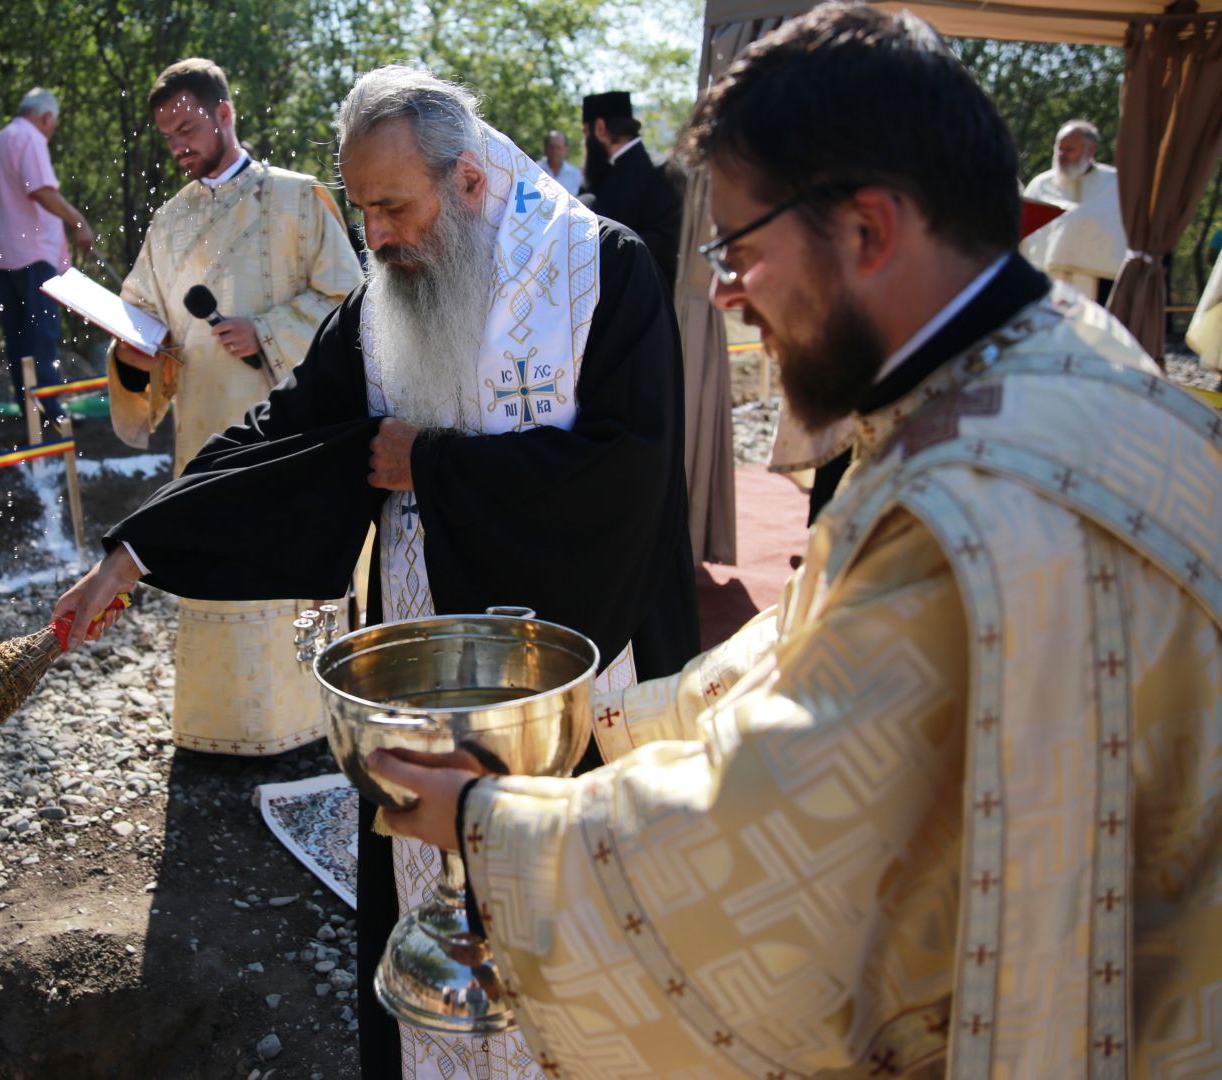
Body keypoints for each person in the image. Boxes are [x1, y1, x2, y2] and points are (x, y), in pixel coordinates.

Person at [373, 5, 1222, 1075]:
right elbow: (825, 650)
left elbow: (781, 861)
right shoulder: (1059, 359)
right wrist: (606, 717)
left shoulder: (971, 502)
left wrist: (485, 824)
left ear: (867, 230)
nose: (725, 292)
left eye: (739, 248)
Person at [57, 66, 700, 1079]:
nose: (379, 237)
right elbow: (286, 430)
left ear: (470, 180)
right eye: (363, 210)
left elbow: (633, 474)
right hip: (415, 678)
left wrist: (432, 467)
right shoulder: (382, 300)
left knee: (574, 982)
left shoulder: (599, 271)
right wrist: (134, 551)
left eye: (396, 207)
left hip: (573, 690)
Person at [105, 58, 362, 756]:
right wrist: (132, 358)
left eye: (188, 127)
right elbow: (143, 322)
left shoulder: (299, 199)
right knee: (213, 563)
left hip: (293, 433)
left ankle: (316, 722)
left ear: (224, 114)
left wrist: (268, 333)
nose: (179, 145)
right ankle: (215, 733)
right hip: (203, 433)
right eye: (168, 136)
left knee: (298, 571)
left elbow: (351, 301)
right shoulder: (168, 222)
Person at [0, 87, 93, 425]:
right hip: (31, 254)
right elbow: (41, 190)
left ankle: (29, 414)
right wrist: (78, 222)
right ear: (45, 117)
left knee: (18, 339)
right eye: (53, 125)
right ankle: (50, 413)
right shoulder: (30, 138)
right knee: (41, 337)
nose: (52, 132)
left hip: (2, 254)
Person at [580, 91, 683, 290]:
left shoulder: (662, 170)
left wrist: (607, 244)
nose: (585, 142)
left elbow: (668, 243)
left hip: (645, 291)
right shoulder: (602, 172)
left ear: (600, 128)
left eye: (585, 133)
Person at [1021, 119, 1127, 304]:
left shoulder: (1114, 185)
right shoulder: (1040, 186)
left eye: (1070, 149)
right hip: (1048, 284)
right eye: (1059, 148)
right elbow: (1024, 237)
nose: (1062, 155)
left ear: (1090, 150)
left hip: (1100, 284)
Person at [535, 129, 581, 197]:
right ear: (545, 148)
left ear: (566, 150)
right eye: (552, 147)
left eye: (559, 148)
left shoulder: (576, 174)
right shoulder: (535, 170)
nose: (555, 151)